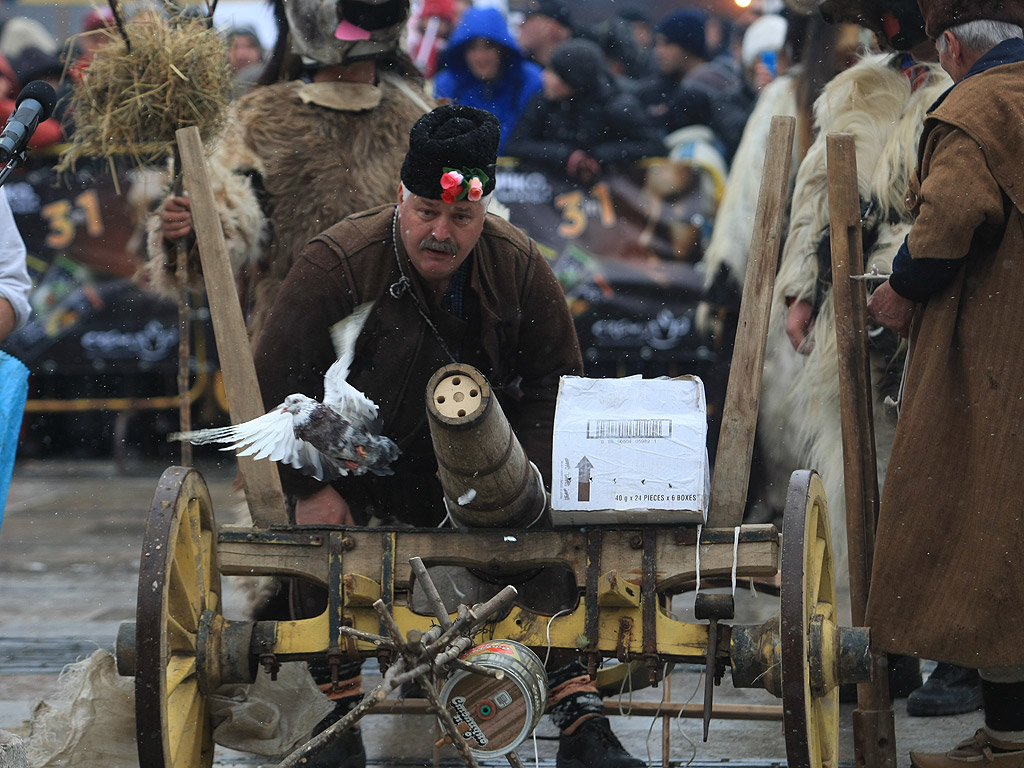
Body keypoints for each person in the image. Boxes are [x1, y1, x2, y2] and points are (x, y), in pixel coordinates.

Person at [254, 104, 644, 768]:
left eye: (461, 217)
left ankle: (580, 718)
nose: (441, 231)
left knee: (546, 534)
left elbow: (557, 386)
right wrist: (312, 484)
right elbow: (281, 380)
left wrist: (522, 483)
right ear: (399, 198)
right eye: (426, 211)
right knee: (325, 547)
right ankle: (340, 714)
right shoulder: (337, 264)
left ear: (484, 213)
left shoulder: (517, 264)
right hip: (360, 468)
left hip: (484, 469)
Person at [863, 3, 1024, 764]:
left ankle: (1009, 739)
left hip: (995, 355)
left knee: (986, 543)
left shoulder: (973, 105)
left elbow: (951, 213)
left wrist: (900, 287)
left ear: (952, 46)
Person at [148, 0, 434, 345]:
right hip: (293, 336)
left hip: (400, 334)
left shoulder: (421, 118)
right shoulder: (257, 117)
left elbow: (463, 224)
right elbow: (231, 225)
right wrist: (193, 228)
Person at [504, 38, 665, 185]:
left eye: (554, 72)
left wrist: (600, 155)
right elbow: (515, 145)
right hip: (551, 200)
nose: (544, 76)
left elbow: (654, 147)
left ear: (572, 80)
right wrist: (565, 155)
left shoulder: (617, 107)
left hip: (612, 198)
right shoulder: (543, 102)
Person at [638, 8, 754, 162]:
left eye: (667, 43)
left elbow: (735, 135)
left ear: (687, 45)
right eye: (657, 44)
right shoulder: (655, 89)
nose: (658, 51)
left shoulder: (719, 82)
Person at [433, 6, 542, 152]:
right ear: (462, 51)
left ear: (503, 48)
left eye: (488, 46)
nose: (480, 57)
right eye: (472, 48)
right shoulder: (447, 85)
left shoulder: (530, 81)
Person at [517, 0, 572, 66]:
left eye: (527, 19)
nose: (520, 25)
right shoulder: (517, 67)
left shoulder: (576, 69)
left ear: (552, 27)